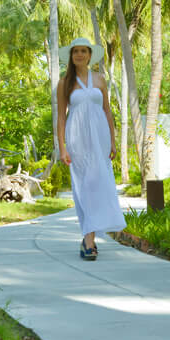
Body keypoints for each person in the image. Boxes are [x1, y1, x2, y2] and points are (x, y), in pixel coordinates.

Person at [56, 37, 126, 261]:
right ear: (71, 56)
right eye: (75, 51)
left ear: (89, 55)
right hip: (77, 140)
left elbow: (107, 111)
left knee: (97, 186)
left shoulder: (100, 79)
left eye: (83, 51)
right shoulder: (64, 83)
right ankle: (89, 240)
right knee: (83, 188)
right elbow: (61, 117)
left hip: (100, 138)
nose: (79, 54)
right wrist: (62, 148)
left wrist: (113, 141)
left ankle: (89, 237)